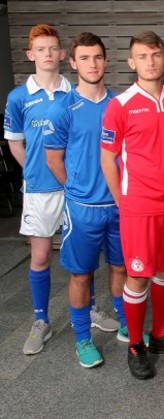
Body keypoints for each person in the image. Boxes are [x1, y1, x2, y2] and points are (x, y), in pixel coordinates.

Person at [3, 24, 115, 355]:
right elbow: (15, 146)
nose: (48, 54)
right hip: (41, 190)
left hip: (75, 191)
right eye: (41, 49)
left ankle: (91, 310)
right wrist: (37, 173)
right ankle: (41, 321)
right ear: (30, 55)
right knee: (40, 257)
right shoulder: (18, 97)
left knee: (85, 258)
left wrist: (74, 182)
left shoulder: (75, 93)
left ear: (64, 55)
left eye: (54, 48)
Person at [100, 30, 164, 380]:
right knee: (139, 274)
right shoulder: (120, 105)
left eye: (155, 54)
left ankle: (160, 335)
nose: (150, 61)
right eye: (142, 56)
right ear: (131, 63)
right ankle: (135, 344)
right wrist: (122, 200)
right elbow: (108, 159)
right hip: (137, 207)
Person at [42, 32, 135, 368]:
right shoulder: (61, 109)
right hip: (82, 210)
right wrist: (77, 189)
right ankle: (83, 339)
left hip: (120, 207)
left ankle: (127, 322)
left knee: (121, 267)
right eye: (84, 58)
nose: (92, 64)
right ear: (72, 62)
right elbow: (53, 160)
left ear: (106, 60)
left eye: (97, 57)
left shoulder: (121, 104)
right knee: (81, 275)